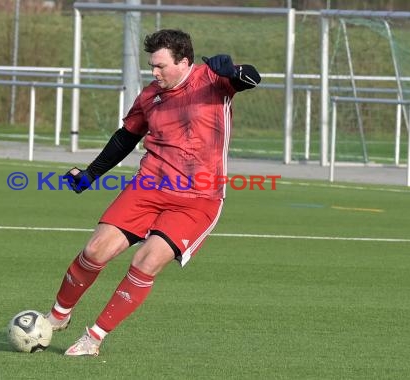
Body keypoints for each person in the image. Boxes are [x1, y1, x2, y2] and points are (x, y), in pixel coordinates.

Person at [46, 29, 261, 356]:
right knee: (95, 250)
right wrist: (91, 173)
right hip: (148, 186)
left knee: (146, 261)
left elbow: (251, 80)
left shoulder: (215, 81)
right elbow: (125, 138)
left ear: (184, 62)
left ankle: (94, 337)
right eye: (152, 66)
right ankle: (58, 315)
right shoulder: (149, 96)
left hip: (198, 200)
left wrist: (234, 71)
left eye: (160, 66)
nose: (154, 72)